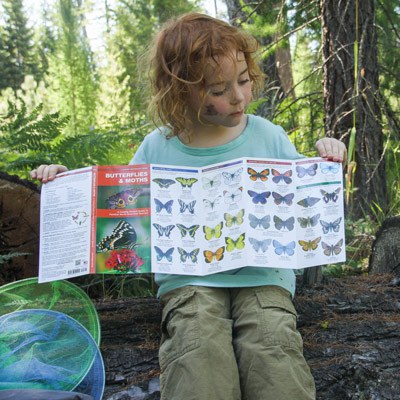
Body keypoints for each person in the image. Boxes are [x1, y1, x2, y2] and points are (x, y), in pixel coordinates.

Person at [31, 12, 347, 400]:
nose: (239, 97)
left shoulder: (268, 134)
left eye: (244, 81)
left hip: (263, 277)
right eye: (219, 89)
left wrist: (326, 156)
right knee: (197, 349)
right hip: (189, 283)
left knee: (274, 348)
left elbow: (305, 193)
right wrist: (65, 184)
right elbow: (119, 208)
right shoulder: (158, 146)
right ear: (181, 91)